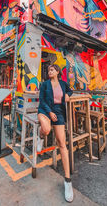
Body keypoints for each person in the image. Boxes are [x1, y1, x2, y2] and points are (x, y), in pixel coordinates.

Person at [37, 64, 74, 203]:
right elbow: (42, 100)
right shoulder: (45, 84)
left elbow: (71, 91)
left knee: (62, 144)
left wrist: (67, 95)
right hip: (45, 110)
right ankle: (40, 136)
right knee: (46, 130)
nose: (49, 72)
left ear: (57, 71)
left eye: (52, 70)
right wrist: (49, 112)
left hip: (59, 112)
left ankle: (68, 181)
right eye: (48, 70)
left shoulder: (64, 84)